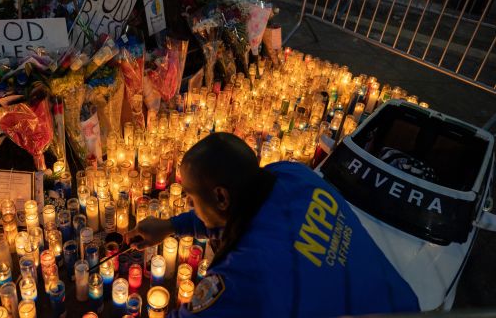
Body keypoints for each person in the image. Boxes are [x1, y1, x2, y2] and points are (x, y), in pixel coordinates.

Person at [126, 133, 420, 317]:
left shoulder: (248, 274)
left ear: (220, 196)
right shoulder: (291, 175)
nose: (190, 206)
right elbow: (230, 213)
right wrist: (171, 226)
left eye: (191, 198)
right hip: (402, 303)